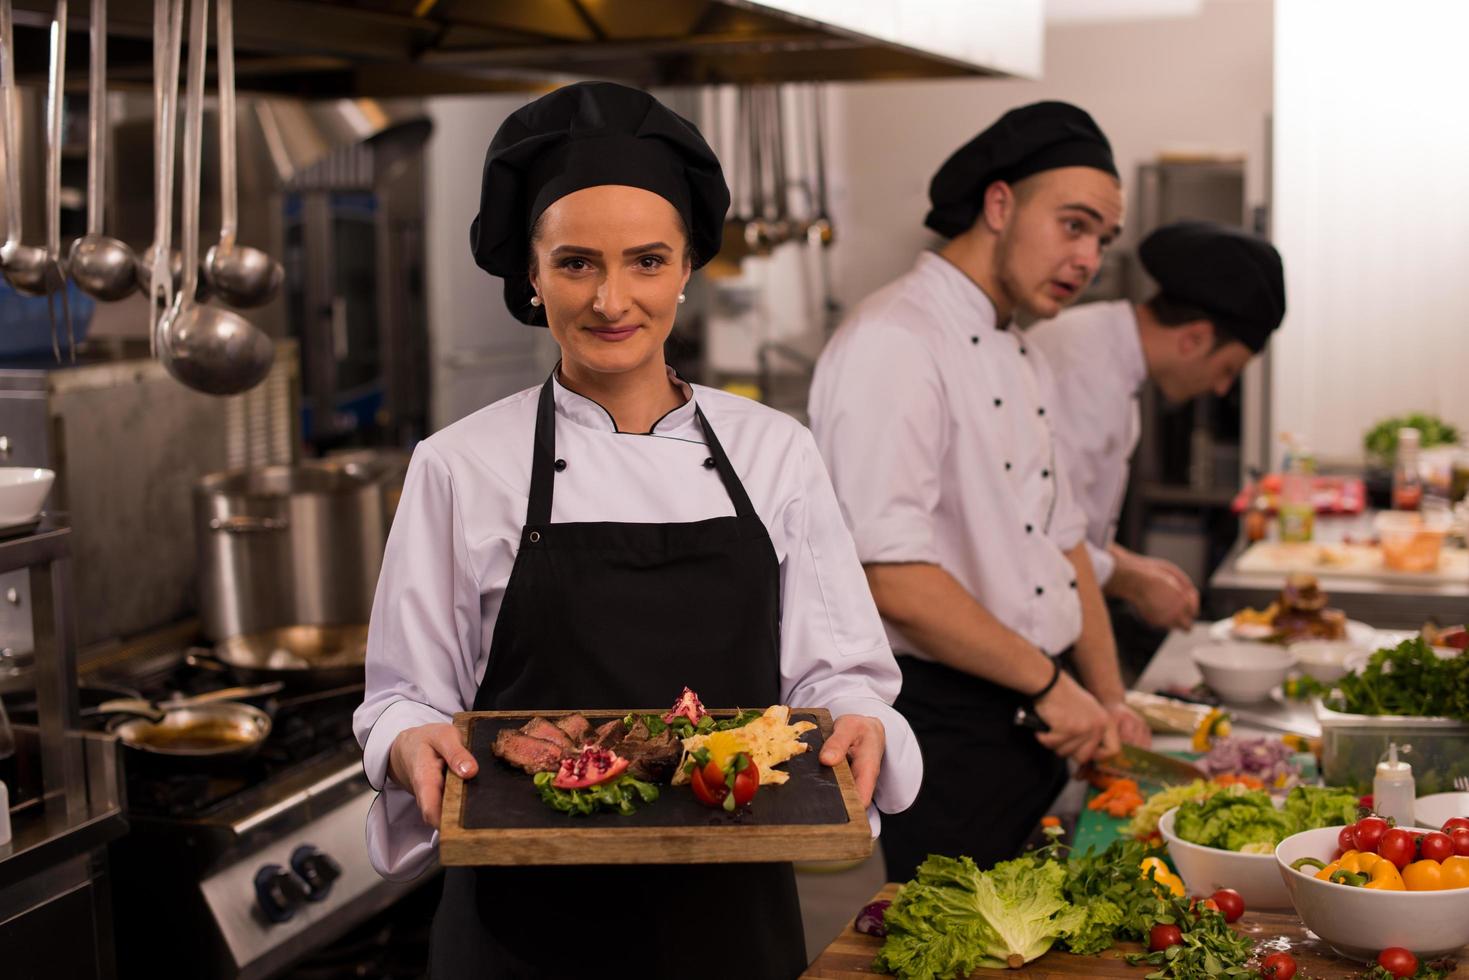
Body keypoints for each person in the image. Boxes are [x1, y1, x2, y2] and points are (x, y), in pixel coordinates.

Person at [351, 81, 920, 979]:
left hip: (728, 913)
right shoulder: (459, 464)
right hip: (520, 922)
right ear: (530, 277)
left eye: (646, 262)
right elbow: (405, 696)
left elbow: (839, 674)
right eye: (576, 262)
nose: (612, 300)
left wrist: (856, 720)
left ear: (687, 268)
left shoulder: (776, 453)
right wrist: (408, 740)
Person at [807, 101, 1149, 884]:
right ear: (999, 205)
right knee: (957, 945)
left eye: (1101, 237)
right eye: (1073, 224)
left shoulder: (1016, 346)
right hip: (951, 722)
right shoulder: (894, 341)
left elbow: (1061, 544)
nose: (1088, 256)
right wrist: (1053, 687)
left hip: (1034, 710)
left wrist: (1106, 697)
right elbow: (888, 573)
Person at [1027, 220, 1286, 633]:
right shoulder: (1083, 371)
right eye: (1228, 369)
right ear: (1194, 339)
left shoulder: (1110, 355)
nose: (1221, 389)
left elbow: (1073, 526)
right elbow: (1038, 537)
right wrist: (1135, 583)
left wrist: (1133, 567)